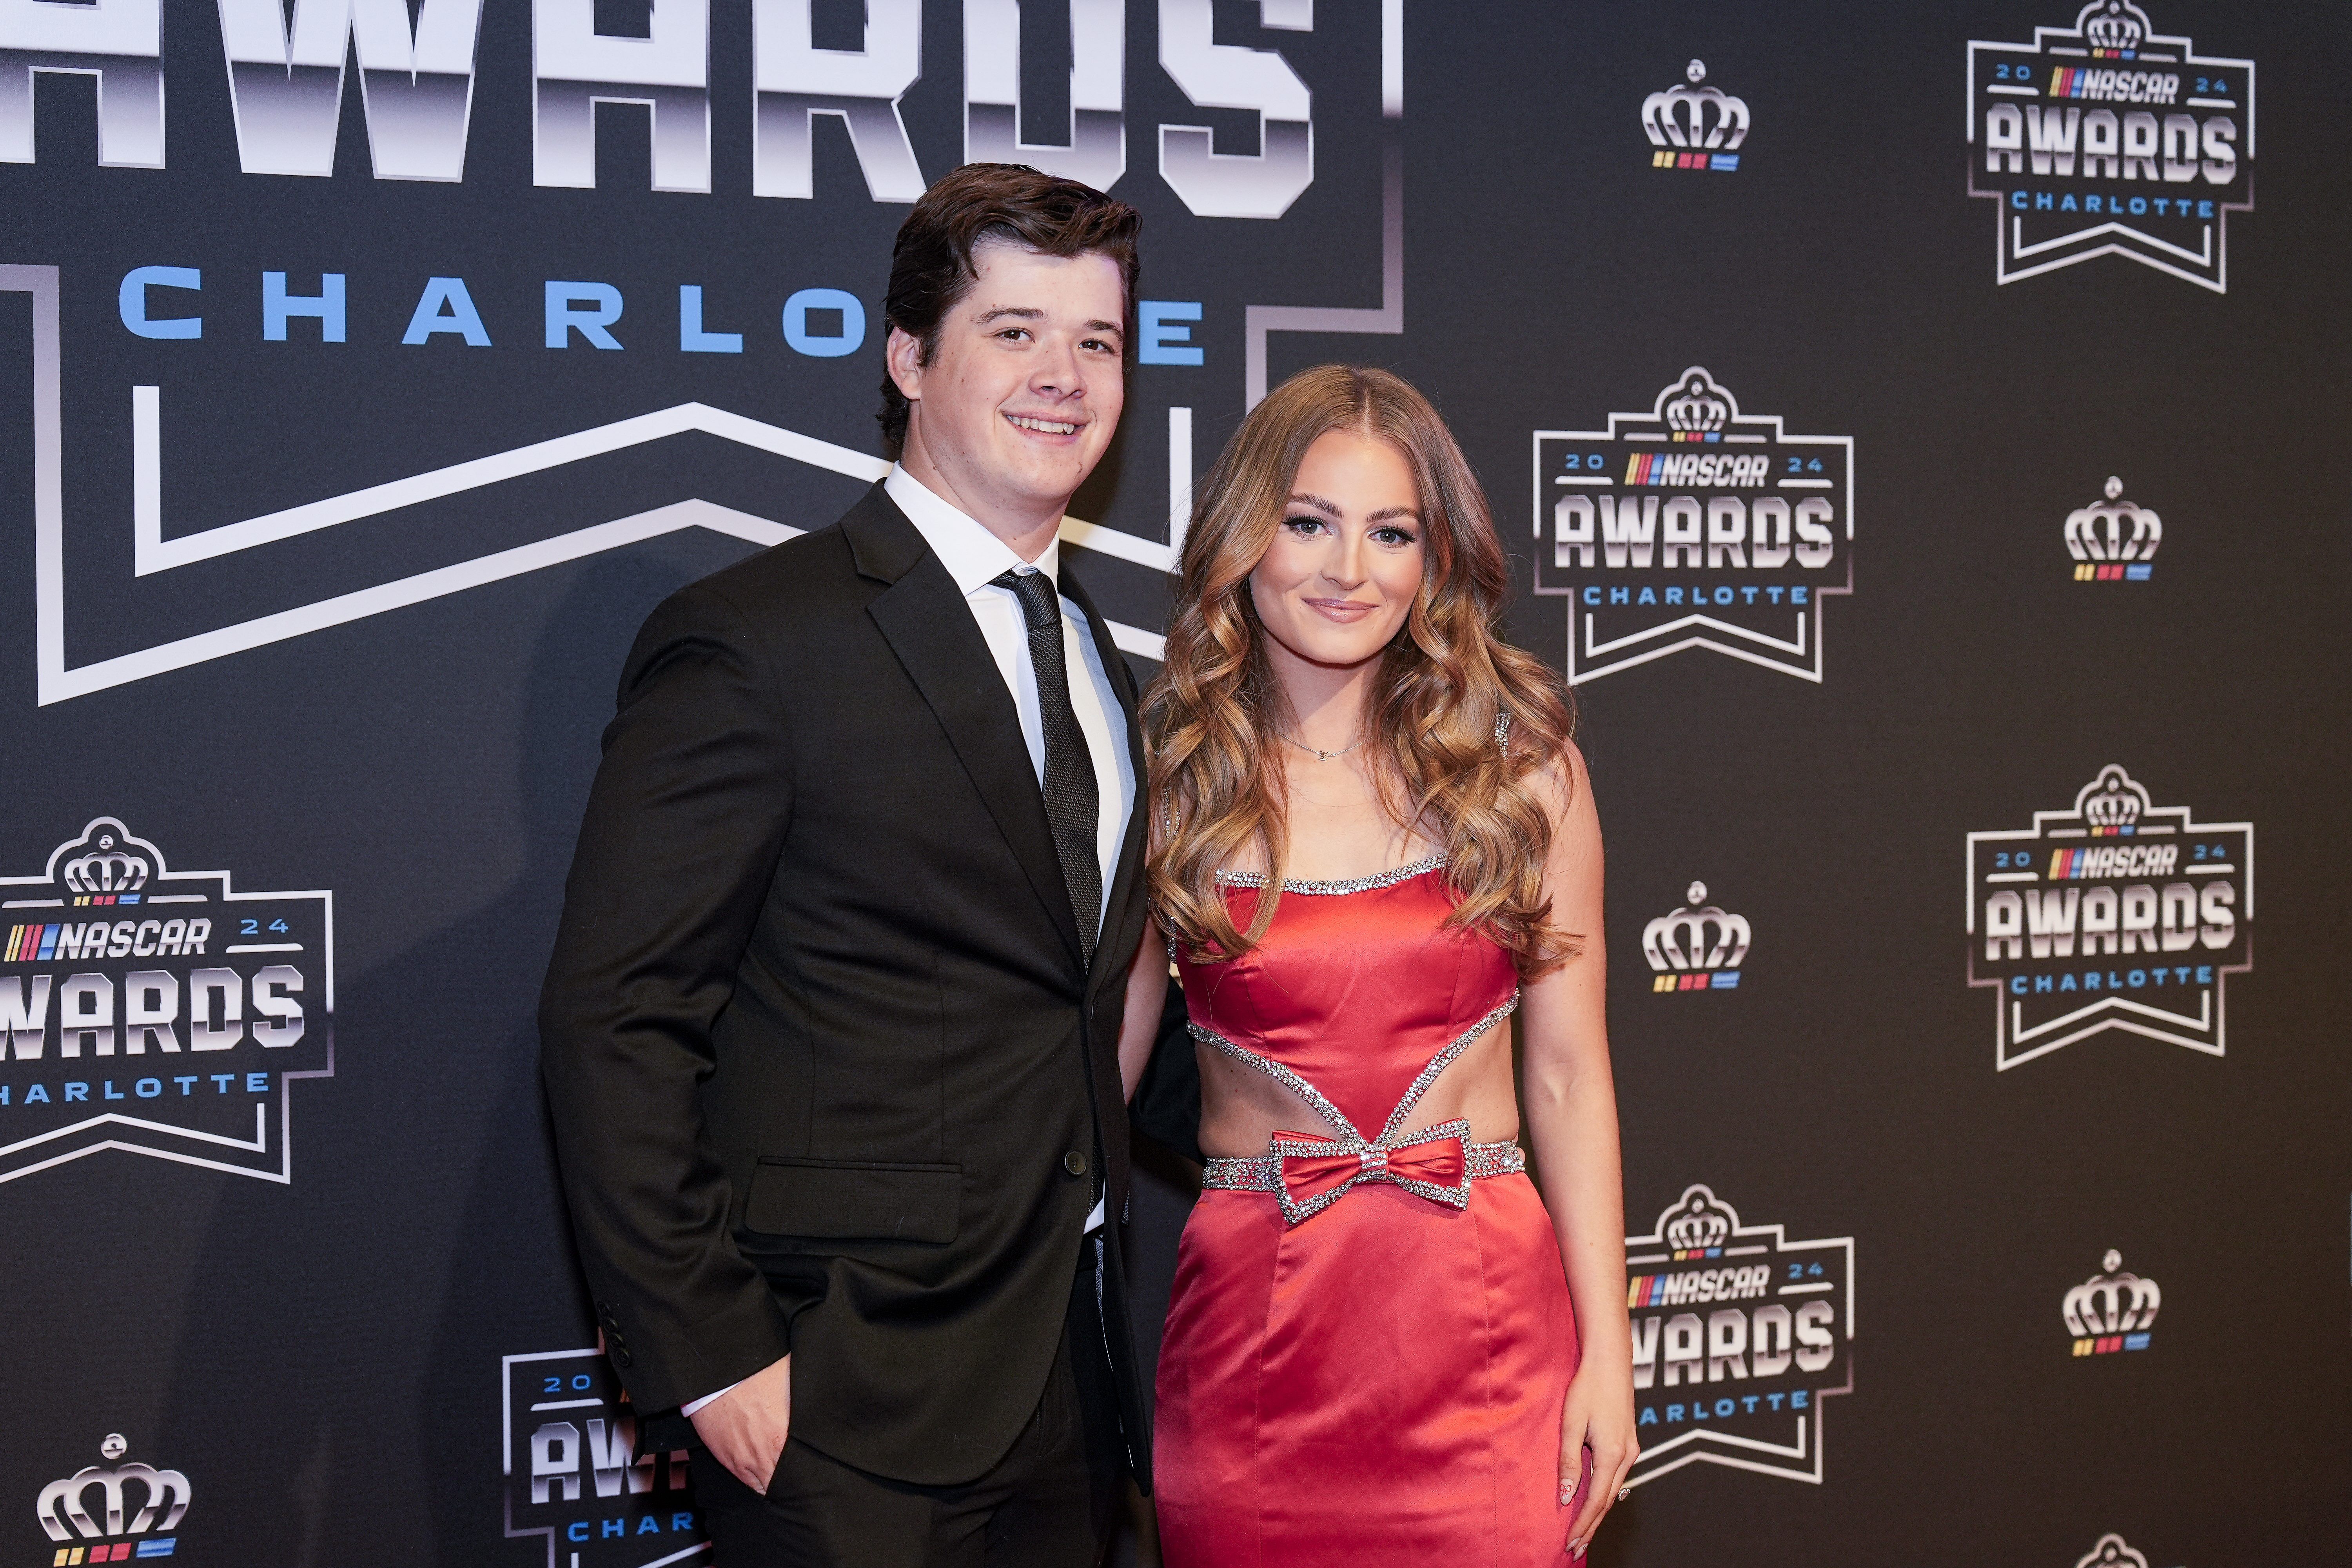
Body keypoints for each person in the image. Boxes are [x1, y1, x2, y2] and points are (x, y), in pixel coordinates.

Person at [540, 163, 1194, 1567]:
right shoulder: (757, 640)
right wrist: (717, 1357)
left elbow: (1092, 1000)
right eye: (1013, 332)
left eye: (1097, 343)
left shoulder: (1106, 658)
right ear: (908, 357)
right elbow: (617, 1018)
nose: (1064, 378)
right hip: (846, 1406)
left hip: (1075, 1387)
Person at [1111, 365, 1639, 1564]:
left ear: (1434, 558)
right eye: (1309, 522)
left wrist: (1609, 1354)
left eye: (1390, 532)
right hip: (1252, 1363)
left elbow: (1568, 1081)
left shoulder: (1521, 767)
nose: (1350, 570)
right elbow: (1099, 1084)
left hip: (1492, 1357)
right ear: (1246, 535)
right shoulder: (1174, 779)